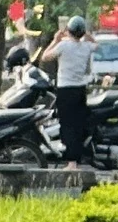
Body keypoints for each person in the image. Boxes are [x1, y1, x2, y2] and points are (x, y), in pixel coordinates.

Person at [37, 16, 94, 168]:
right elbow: (96, 44)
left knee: (68, 125)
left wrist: (55, 40)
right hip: (80, 90)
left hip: (65, 91)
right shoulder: (87, 46)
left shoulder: (63, 46)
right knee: (78, 124)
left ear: (69, 31)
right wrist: (87, 35)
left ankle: (72, 163)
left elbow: (45, 57)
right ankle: (77, 159)